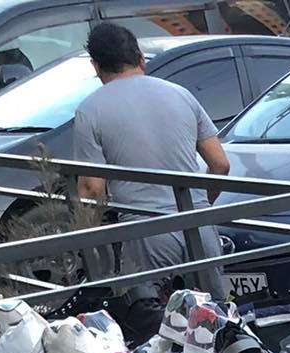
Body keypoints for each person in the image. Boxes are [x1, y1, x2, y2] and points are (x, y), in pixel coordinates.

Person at [72, 22, 230, 292]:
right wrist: (202, 202)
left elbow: (91, 189)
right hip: (199, 224)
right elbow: (220, 164)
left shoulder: (90, 110)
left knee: (153, 313)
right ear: (141, 57)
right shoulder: (181, 94)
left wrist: (89, 244)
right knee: (211, 312)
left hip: (146, 231)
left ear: (96, 66)